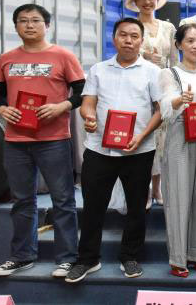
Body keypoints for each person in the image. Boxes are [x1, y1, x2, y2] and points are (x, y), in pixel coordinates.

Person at [0, 4, 84, 278]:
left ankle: (67, 259)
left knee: (63, 200)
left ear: (47, 25)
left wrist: (62, 106)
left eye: (35, 20)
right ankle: (22, 256)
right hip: (15, 141)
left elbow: (82, 91)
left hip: (54, 140)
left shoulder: (63, 56)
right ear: (16, 26)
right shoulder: (7, 59)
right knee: (22, 201)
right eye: (23, 20)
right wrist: (2, 109)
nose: (29, 25)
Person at [65, 18, 162, 283]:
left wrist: (142, 136)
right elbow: (88, 102)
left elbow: (159, 110)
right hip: (99, 148)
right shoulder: (98, 70)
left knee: (137, 206)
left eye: (134, 36)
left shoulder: (152, 72)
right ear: (114, 38)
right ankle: (87, 259)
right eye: (123, 35)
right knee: (93, 206)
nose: (128, 40)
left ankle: (130, 256)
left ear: (142, 41)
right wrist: (88, 117)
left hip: (139, 150)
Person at [159, 23, 196, 277]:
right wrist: (179, 100)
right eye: (190, 41)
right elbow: (164, 105)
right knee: (178, 196)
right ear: (179, 45)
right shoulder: (169, 73)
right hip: (178, 137)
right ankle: (178, 259)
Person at [125, 0, 177, 207]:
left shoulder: (168, 28)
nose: (147, 2)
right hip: (139, 85)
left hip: (164, 86)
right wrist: (143, 56)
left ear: (157, 0)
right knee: (143, 135)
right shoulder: (131, 27)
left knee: (162, 139)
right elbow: (123, 55)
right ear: (135, 2)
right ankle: (144, 189)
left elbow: (174, 59)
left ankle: (158, 188)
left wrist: (176, 83)